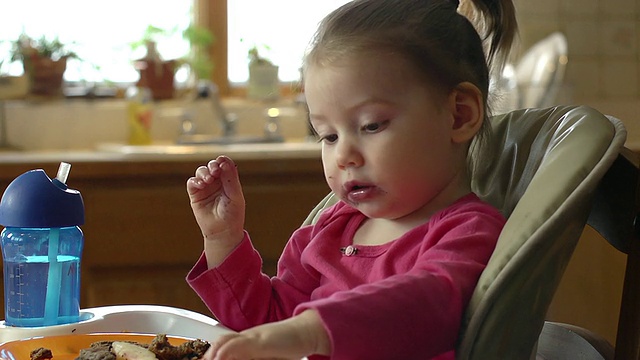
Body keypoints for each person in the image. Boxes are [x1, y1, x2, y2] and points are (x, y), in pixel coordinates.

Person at [185, 0, 517, 358]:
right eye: (328, 136)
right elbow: (264, 325)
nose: (343, 156)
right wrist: (223, 239)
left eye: (371, 125)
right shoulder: (329, 232)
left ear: (458, 115)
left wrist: (307, 332)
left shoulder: (468, 232)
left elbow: (426, 304)